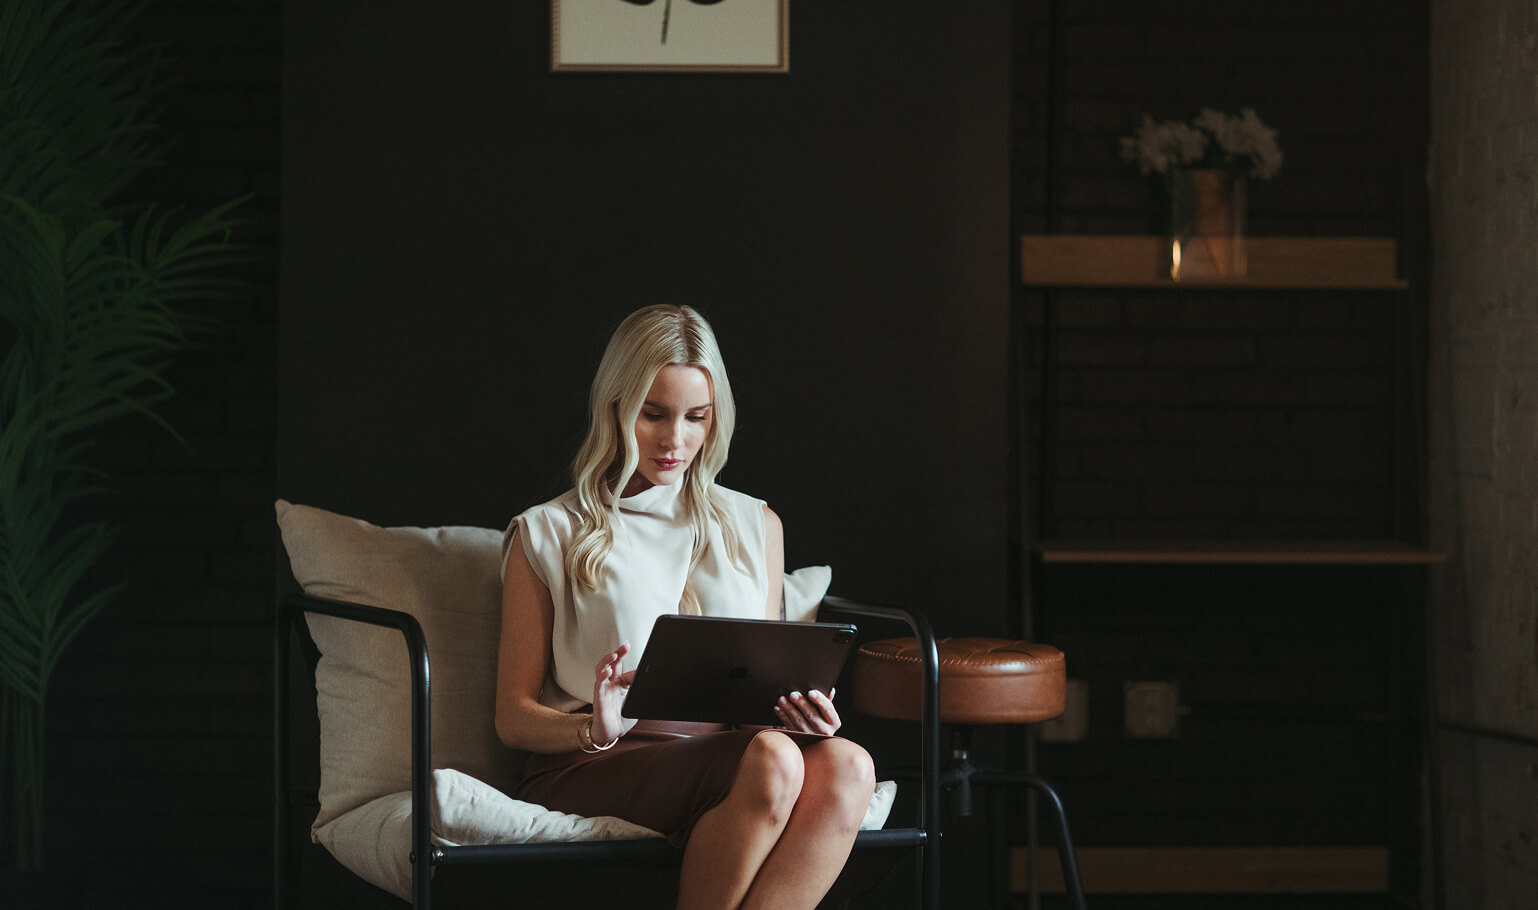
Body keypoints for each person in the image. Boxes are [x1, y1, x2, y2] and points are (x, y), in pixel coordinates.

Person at [495, 304, 876, 909]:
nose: (676, 440)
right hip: (594, 763)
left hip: (738, 753)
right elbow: (512, 718)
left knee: (849, 766)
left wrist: (796, 713)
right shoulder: (548, 532)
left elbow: (761, 695)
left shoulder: (755, 523)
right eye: (654, 415)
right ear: (616, 406)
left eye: (696, 418)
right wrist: (592, 727)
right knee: (773, 760)